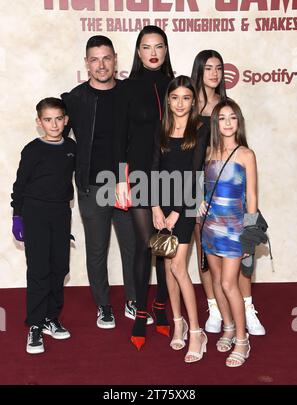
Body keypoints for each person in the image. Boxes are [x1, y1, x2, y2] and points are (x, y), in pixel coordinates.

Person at [61, 36, 144, 330]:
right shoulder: (73, 99)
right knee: (96, 249)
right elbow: (58, 139)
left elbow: (140, 141)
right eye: (94, 59)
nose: (101, 65)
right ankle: (104, 306)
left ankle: (134, 299)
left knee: (132, 247)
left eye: (106, 58)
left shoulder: (129, 94)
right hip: (92, 188)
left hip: (126, 185)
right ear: (86, 63)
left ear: (115, 59)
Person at [191, 50, 265, 336]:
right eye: (207, 68)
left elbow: (251, 191)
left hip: (233, 199)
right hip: (201, 192)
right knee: (206, 257)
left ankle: (246, 310)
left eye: (218, 68)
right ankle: (215, 310)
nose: (213, 73)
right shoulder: (188, 107)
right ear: (199, 71)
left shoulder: (225, 107)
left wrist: (250, 224)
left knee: (239, 264)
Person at [115, 25, 174, 350]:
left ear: (166, 51)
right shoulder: (127, 89)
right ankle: (140, 312)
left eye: (159, 46)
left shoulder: (177, 86)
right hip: (137, 175)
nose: (153, 52)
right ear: (138, 52)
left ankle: (162, 306)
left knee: (164, 243)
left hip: (170, 175)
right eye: (146, 47)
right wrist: (121, 178)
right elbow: (119, 138)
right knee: (143, 246)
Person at [11, 97, 75, 354]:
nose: (54, 124)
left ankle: (51, 317)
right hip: (35, 214)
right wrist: (18, 216)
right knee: (39, 270)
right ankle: (35, 325)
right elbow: (20, 185)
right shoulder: (32, 149)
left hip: (61, 213)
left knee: (59, 267)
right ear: (39, 122)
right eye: (48, 119)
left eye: (59, 118)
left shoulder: (71, 146)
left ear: (66, 120)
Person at [151, 76, 209, 363]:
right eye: (175, 98)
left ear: (193, 101)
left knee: (178, 267)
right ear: (168, 100)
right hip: (163, 208)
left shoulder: (201, 128)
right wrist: (156, 207)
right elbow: (153, 170)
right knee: (167, 267)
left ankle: (196, 331)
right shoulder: (160, 130)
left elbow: (196, 173)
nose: (181, 103)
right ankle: (178, 323)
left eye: (186, 98)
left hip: (185, 207)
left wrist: (176, 210)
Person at [199, 99, 256, 367]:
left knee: (228, 283)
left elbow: (252, 197)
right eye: (222, 118)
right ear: (215, 123)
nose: (228, 123)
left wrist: (250, 235)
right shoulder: (209, 151)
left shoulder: (246, 154)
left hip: (235, 229)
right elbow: (205, 186)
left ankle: (242, 340)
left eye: (232, 117)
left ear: (239, 121)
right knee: (217, 281)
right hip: (210, 227)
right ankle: (229, 328)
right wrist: (200, 200)